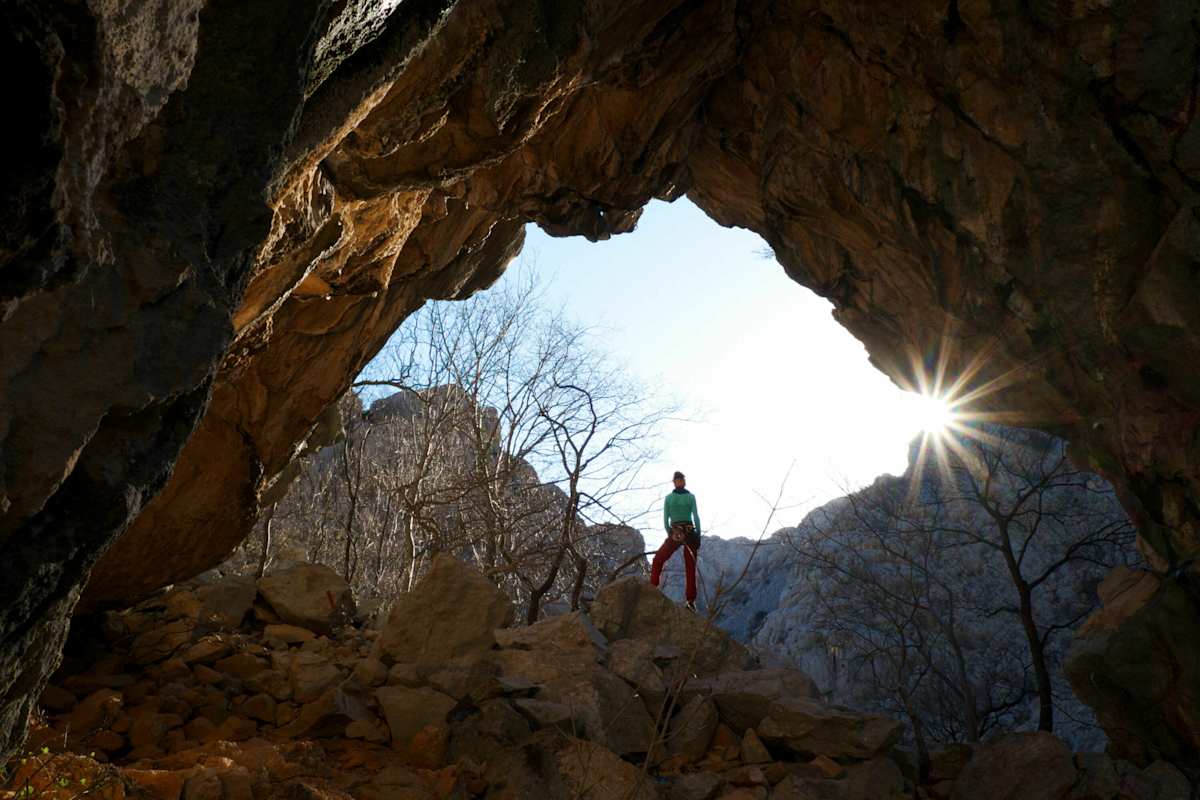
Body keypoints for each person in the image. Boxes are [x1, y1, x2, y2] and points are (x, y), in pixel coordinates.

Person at [650, 470, 702, 610]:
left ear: (675, 482)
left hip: (676, 532)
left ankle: (652, 588)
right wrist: (698, 535)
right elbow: (696, 517)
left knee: (658, 559)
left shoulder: (669, 498)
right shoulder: (690, 497)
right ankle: (690, 601)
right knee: (690, 567)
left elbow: (665, 519)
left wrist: (670, 533)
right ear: (683, 481)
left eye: (680, 480)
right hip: (689, 532)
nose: (679, 482)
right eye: (679, 480)